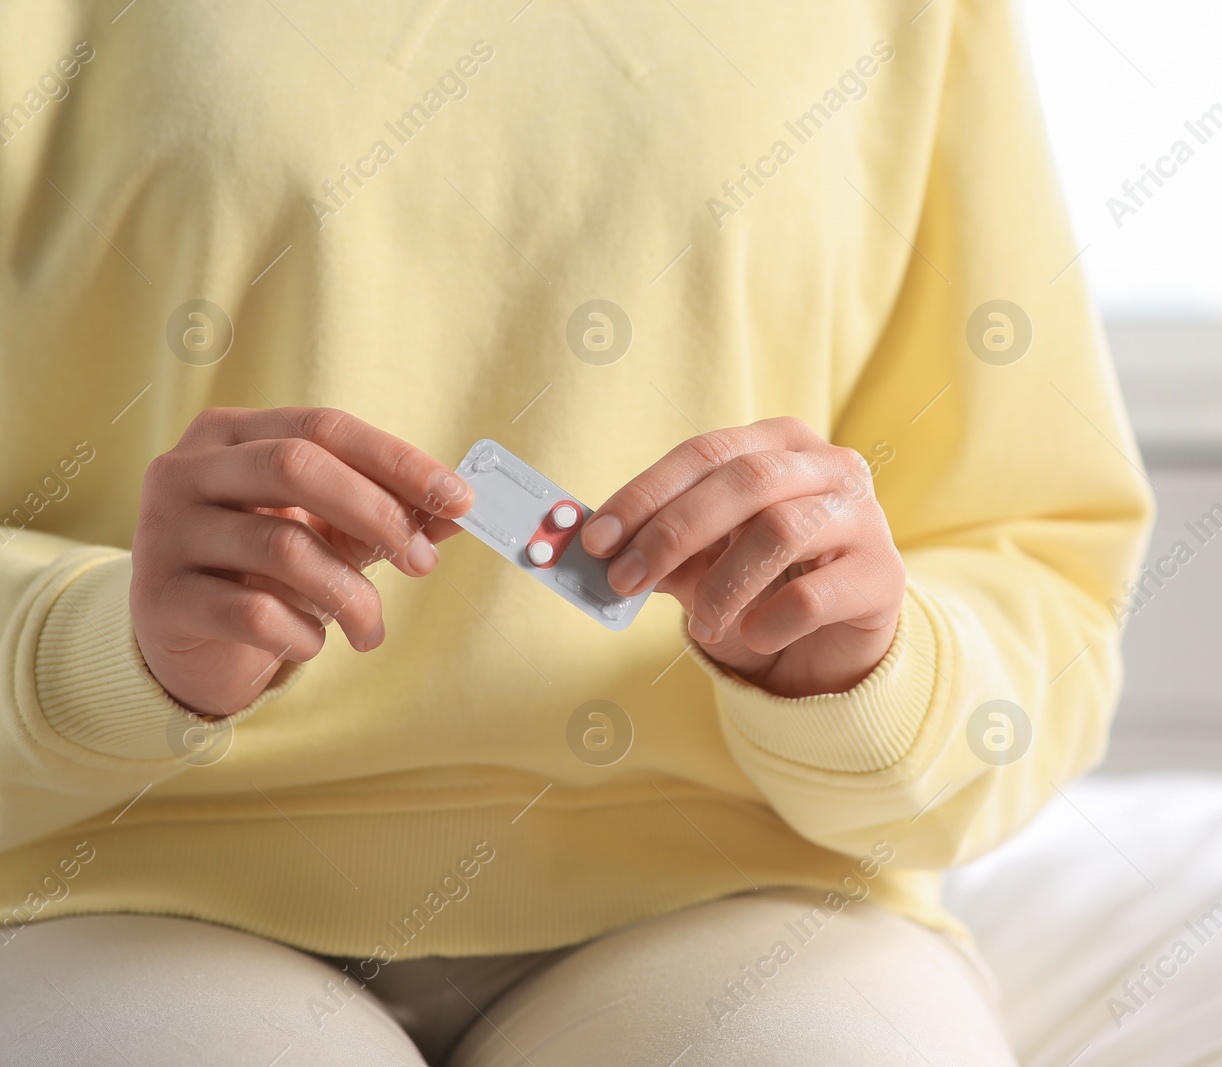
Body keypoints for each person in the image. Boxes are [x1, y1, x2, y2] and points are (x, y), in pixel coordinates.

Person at [0, 1, 1151, 1063]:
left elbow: (1040, 566)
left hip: (746, 901)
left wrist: (870, 676)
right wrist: (93, 652)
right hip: (115, 882)